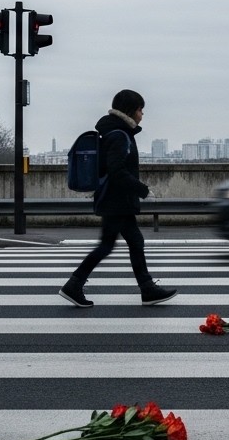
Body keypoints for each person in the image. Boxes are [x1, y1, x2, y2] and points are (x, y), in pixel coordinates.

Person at [59, 89, 177, 308]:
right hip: (116, 202)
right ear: (130, 111)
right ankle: (75, 285)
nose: (142, 114)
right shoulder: (119, 135)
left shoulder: (116, 132)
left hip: (116, 201)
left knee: (131, 242)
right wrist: (142, 189)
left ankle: (147, 288)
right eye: (141, 109)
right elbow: (117, 171)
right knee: (109, 245)